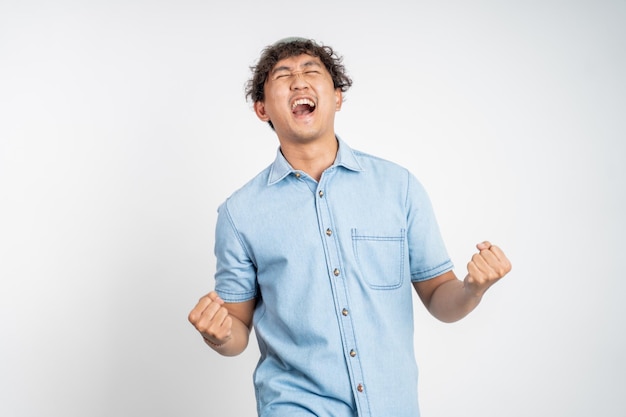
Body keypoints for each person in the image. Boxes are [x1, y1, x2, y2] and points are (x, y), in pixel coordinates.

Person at [188, 37, 512, 417]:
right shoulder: (239, 213)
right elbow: (237, 327)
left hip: (394, 405)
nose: (299, 81)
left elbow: (440, 296)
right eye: (283, 76)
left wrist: (473, 289)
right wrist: (220, 335)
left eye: (311, 71)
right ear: (262, 109)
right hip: (294, 405)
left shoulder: (398, 187)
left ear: (337, 97)